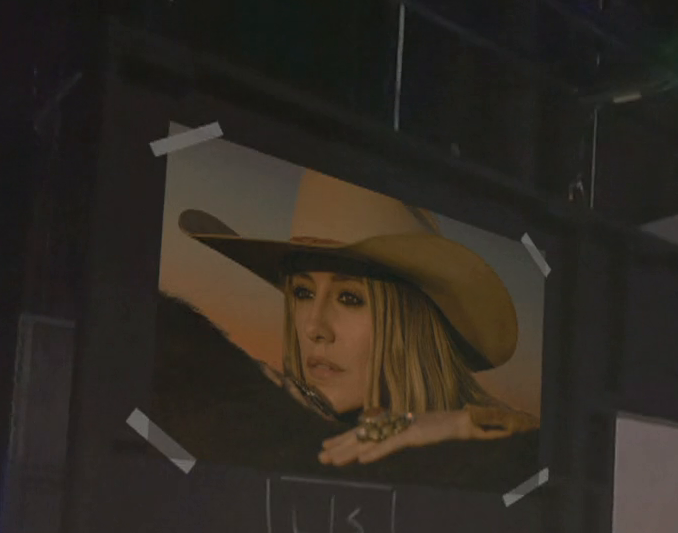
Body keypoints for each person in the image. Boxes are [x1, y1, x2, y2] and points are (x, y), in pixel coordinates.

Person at [154, 170, 540, 488]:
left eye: (350, 298)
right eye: (303, 293)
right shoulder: (267, 421)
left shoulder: (491, 442)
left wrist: (457, 426)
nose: (314, 327)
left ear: (409, 326)